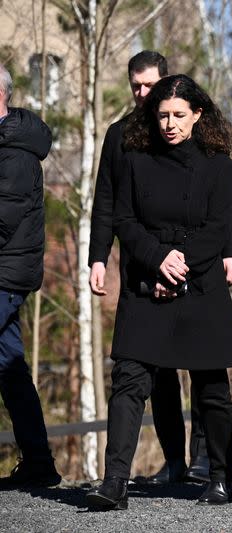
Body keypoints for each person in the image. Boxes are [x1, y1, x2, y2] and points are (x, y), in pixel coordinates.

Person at [86, 74, 232, 509]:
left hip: (200, 282)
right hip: (147, 279)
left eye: (178, 115)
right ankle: (115, 481)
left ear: (197, 115)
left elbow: (221, 224)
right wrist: (158, 258)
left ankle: (220, 476)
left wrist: (181, 263)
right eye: (162, 116)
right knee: (129, 379)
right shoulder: (136, 158)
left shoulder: (218, 163)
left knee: (211, 386)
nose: (170, 124)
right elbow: (124, 218)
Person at [0, 64, 61, 488]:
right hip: (8, 271)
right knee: (9, 364)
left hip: (5, 273)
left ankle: (39, 461)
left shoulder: (15, 151)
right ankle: (39, 462)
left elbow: (4, 215)